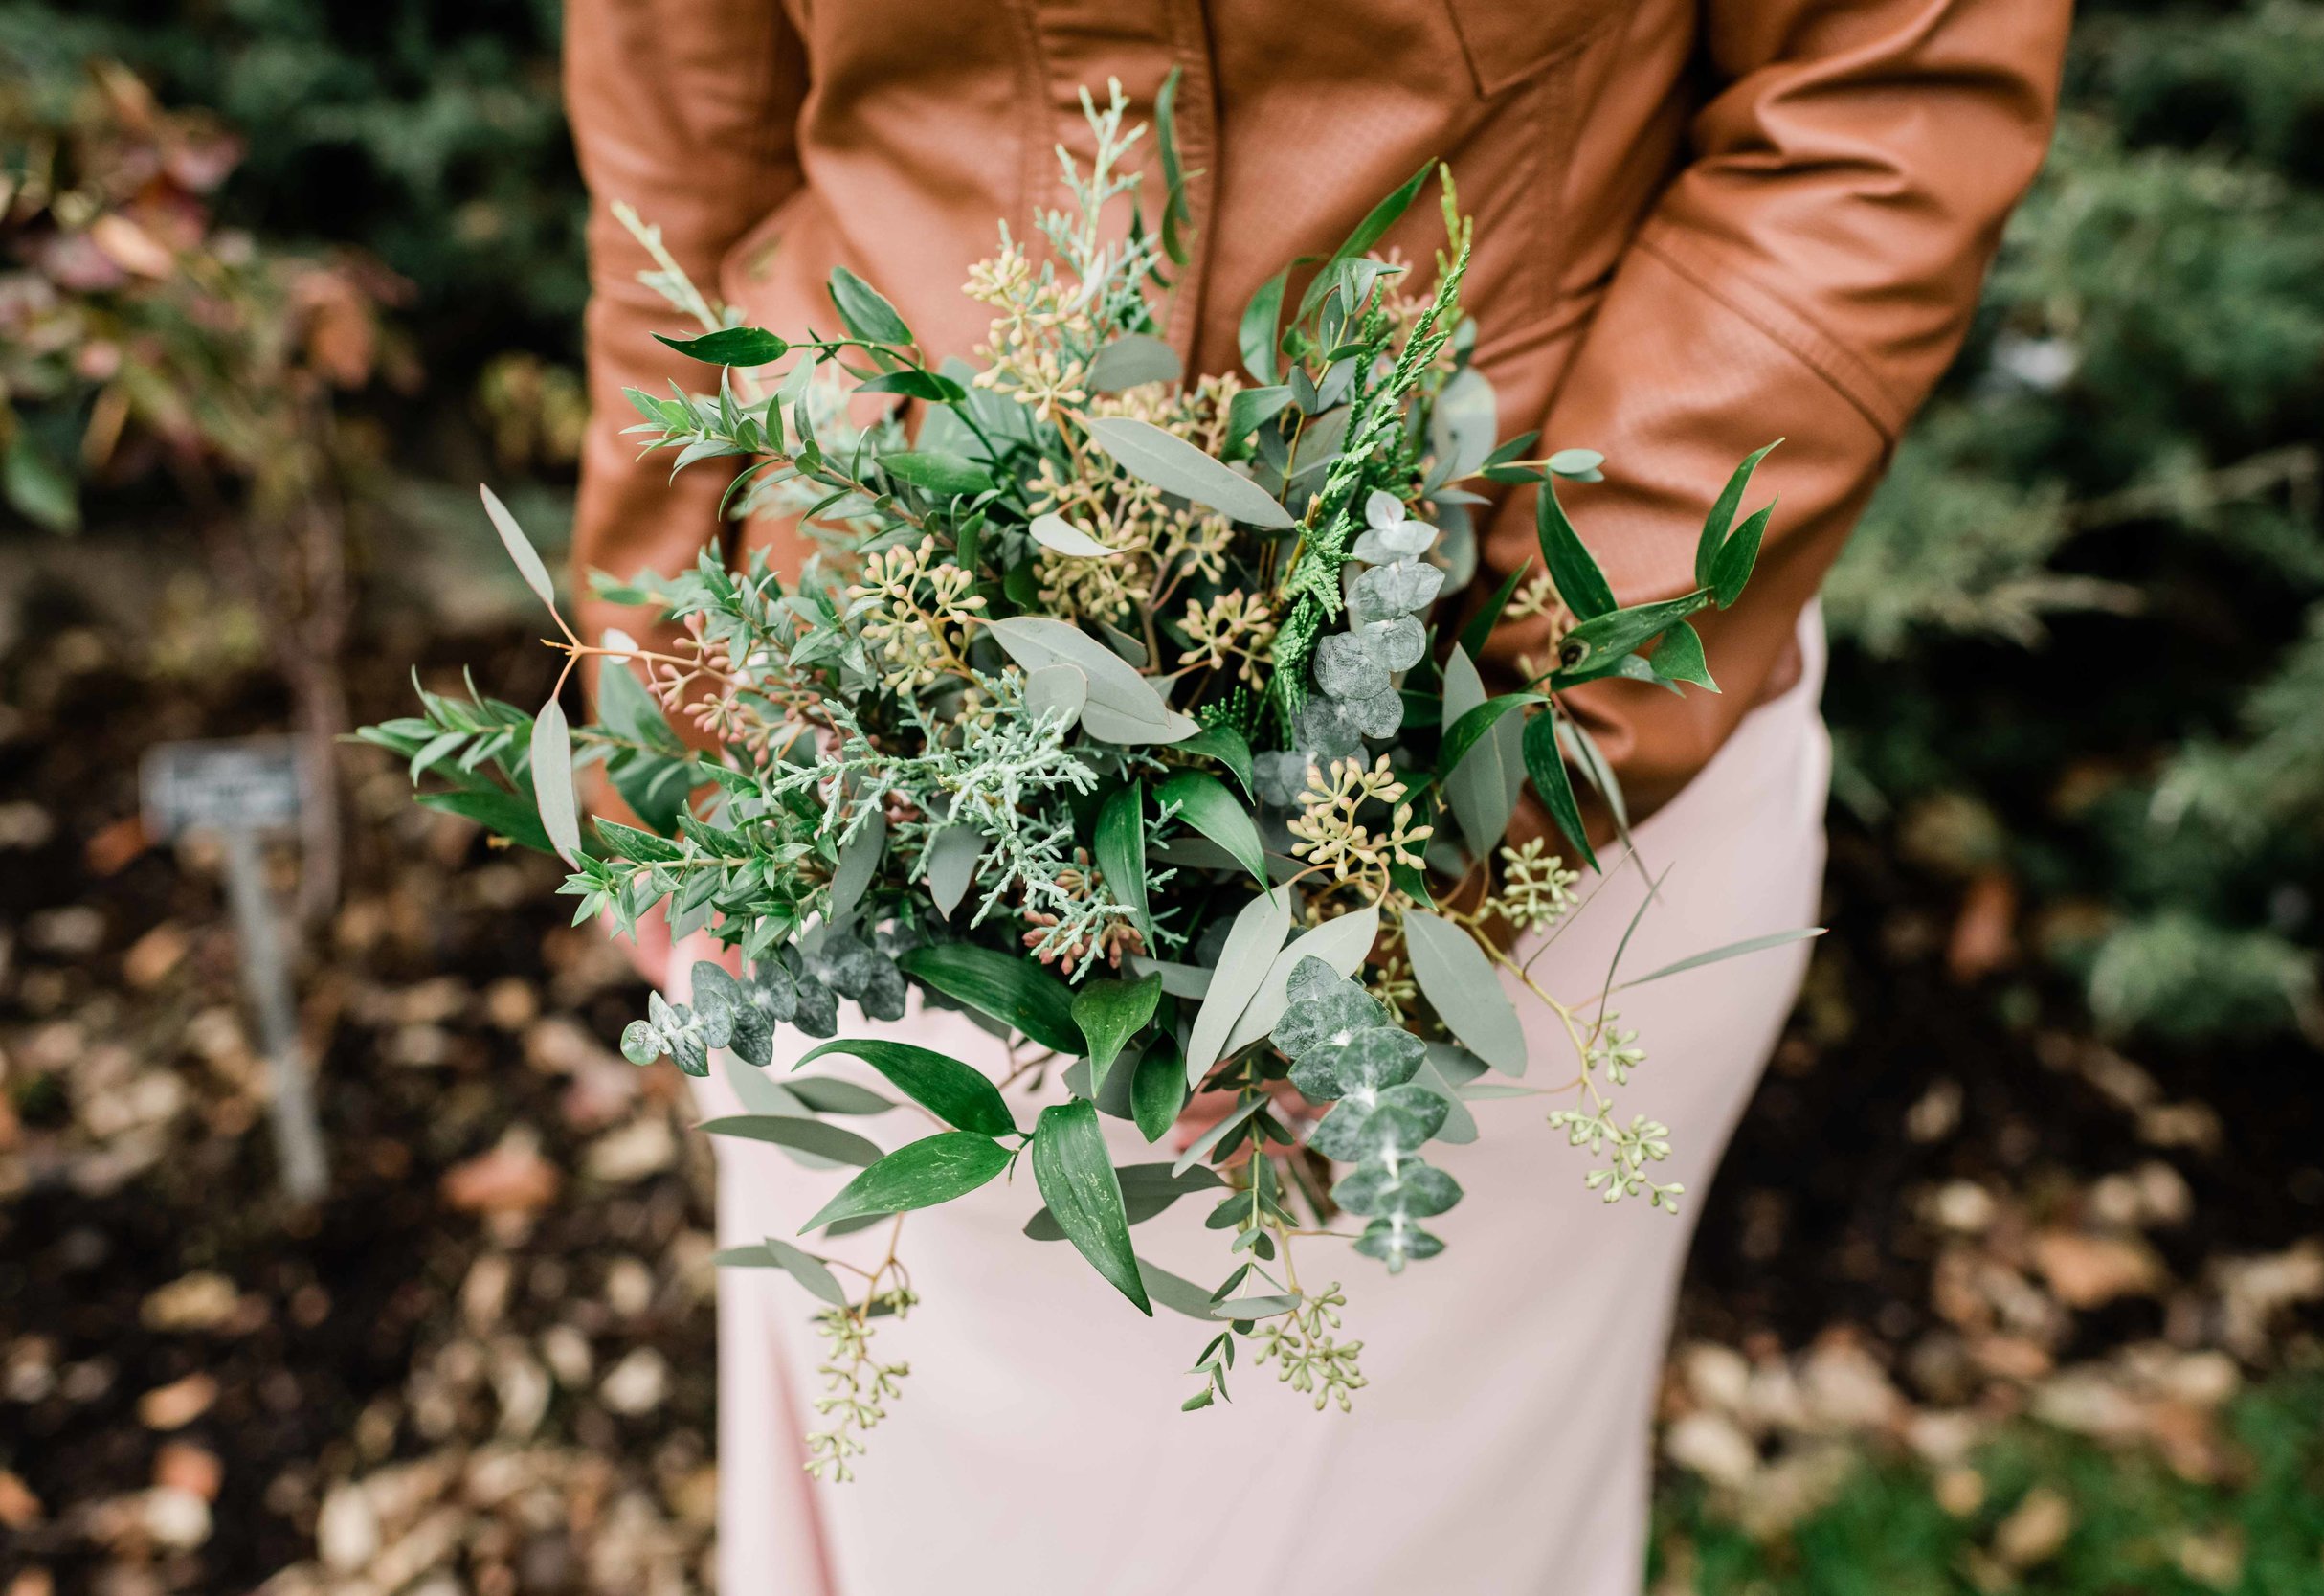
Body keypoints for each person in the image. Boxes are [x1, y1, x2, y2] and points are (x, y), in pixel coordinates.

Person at [562, 4, 2067, 1591]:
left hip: (1516, 756)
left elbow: (1886, 92)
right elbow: (684, 99)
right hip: (868, 757)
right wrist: (664, 693)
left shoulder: (1508, 785)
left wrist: (1490, 793)